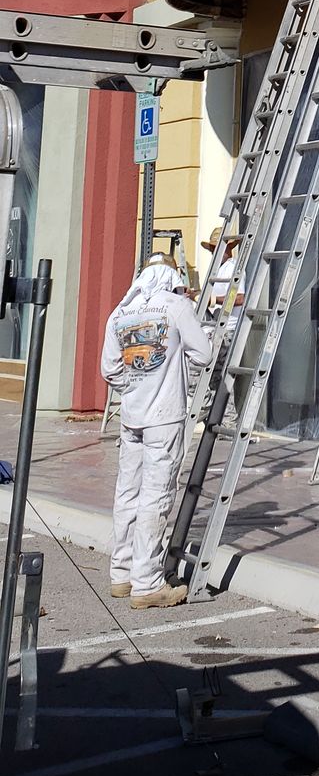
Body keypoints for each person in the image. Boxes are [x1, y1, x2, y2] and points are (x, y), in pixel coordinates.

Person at [100, 251, 212, 608]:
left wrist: (133, 386)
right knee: (156, 495)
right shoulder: (176, 307)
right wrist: (180, 377)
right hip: (164, 415)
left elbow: (109, 369)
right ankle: (147, 582)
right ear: (171, 278)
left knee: (127, 493)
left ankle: (121, 573)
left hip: (131, 415)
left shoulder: (120, 311)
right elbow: (203, 354)